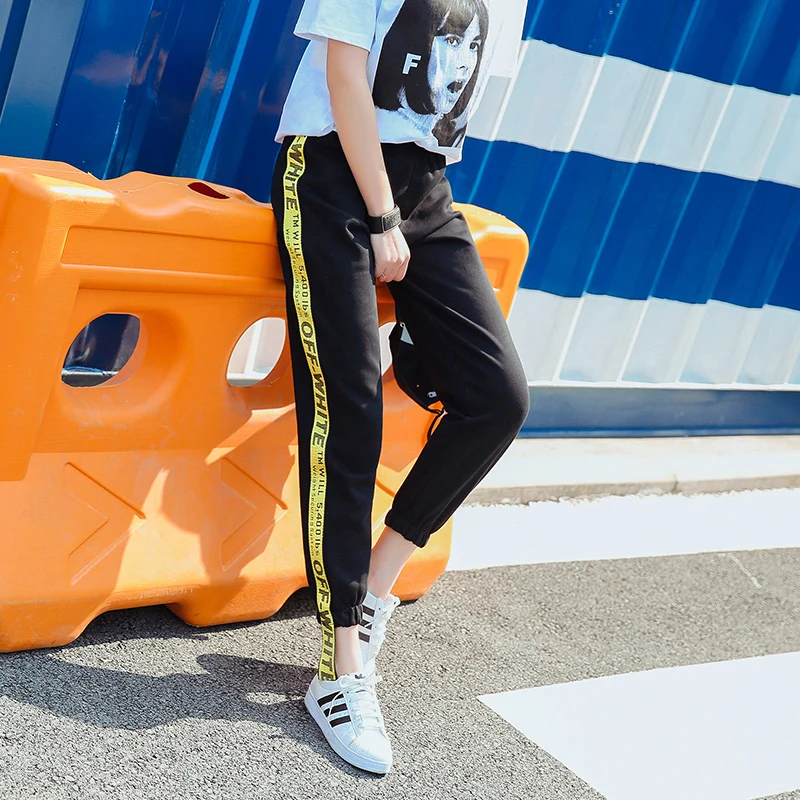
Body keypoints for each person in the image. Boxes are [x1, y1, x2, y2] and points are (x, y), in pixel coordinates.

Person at [271, 0, 529, 775]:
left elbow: (448, 113)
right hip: (331, 171)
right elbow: (344, 70)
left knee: (497, 399)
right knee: (350, 412)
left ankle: (374, 592)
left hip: (426, 188)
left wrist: (421, 290)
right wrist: (382, 215)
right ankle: (341, 668)